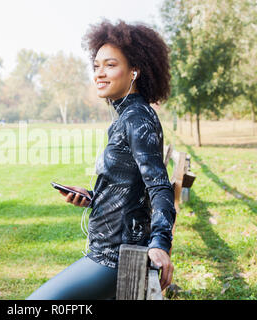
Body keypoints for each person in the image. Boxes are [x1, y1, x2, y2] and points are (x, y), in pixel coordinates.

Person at [26, 18, 176, 300]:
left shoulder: (136, 118)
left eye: (110, 64)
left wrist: (160, 243)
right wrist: (93, 196)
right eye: (96, 66)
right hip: (109, 250)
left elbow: (159, 186)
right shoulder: (129, 116)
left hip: (114, 258)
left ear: (134, 70)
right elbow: (133, 185)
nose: (99, 73)